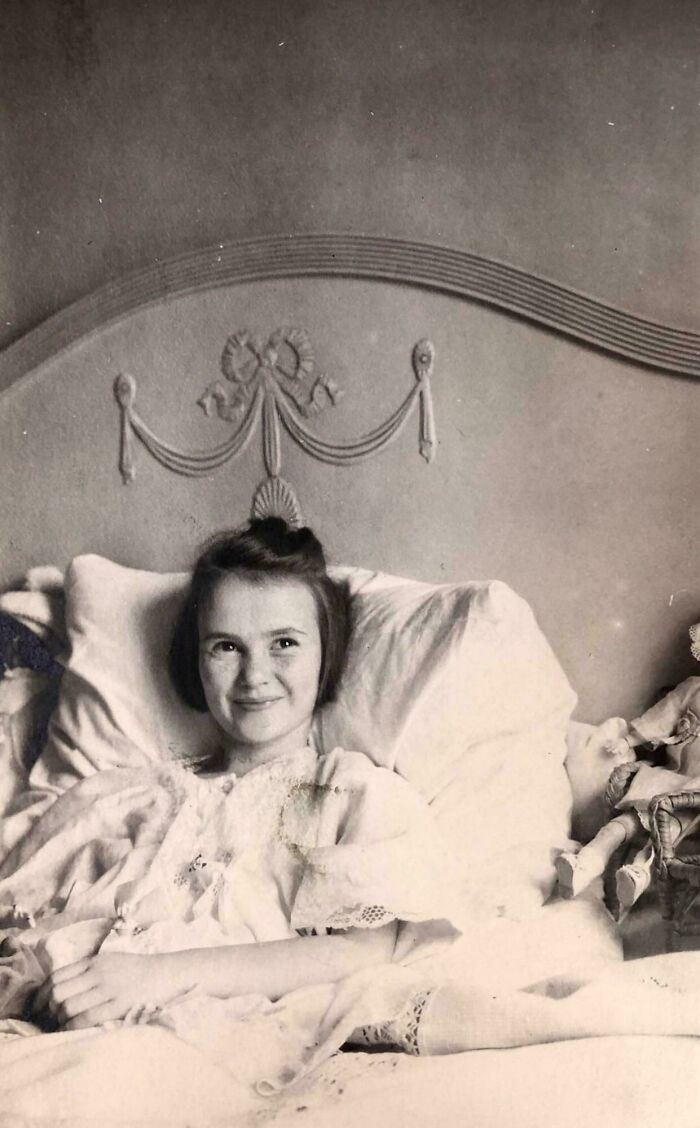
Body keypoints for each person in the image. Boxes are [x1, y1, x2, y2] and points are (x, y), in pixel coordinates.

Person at [6, 517, 700, 1089]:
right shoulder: (134, 790)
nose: (254, 676)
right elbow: (29, 899)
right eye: (226, 647)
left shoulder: (338, 793)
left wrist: (153, 976)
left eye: (283, 644)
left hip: (200, 1033)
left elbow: (369, 949)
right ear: (195, 660)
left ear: (325, 656)